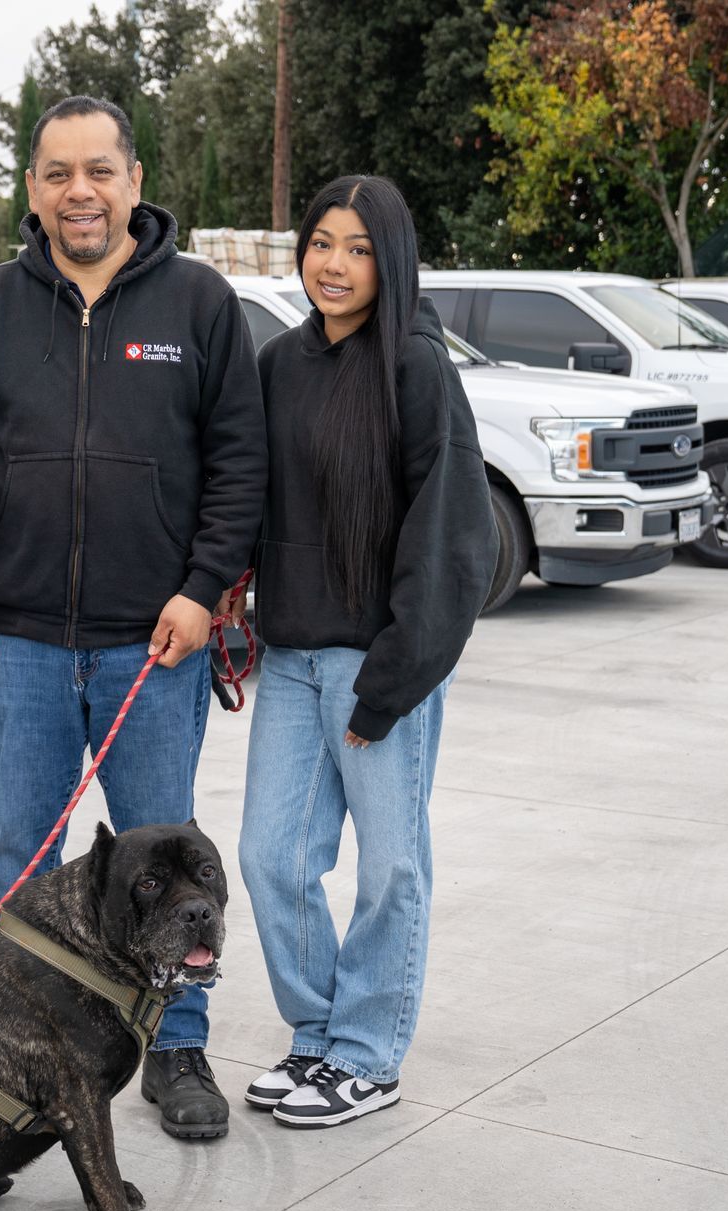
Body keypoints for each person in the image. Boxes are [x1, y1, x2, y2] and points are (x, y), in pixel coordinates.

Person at [0, 95, 266, 1140]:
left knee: (171, 870)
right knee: (19, 851)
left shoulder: (201, 304)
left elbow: (239, 465)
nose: (80, 191)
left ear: (134, 179)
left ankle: (178, 1045)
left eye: (99, 171)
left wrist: (201, 589)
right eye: (59, 172)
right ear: (32, 189)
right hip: (14, 640)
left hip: (151, 644)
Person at [235, 176, 494, 1129]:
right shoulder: (281, 364)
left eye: (356, 248)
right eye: (320, 243)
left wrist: (389, 684)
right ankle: (314, 1037)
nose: (333, 265)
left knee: (390, 869)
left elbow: (454, 538)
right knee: (269, 857)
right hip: (292, 660)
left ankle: (368, 1056)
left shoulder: (418, 369)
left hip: (380, 666)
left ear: (391, 262)